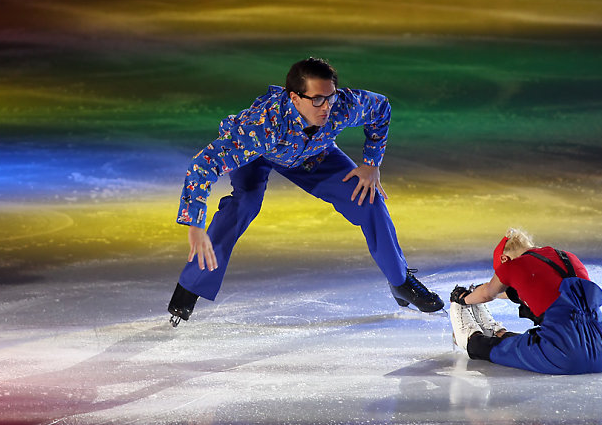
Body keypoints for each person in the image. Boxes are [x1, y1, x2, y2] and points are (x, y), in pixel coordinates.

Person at [167, 57, 443, 324]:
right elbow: (203, 165)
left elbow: (381, 108)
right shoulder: (263, 127)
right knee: (244, 205)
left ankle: (400, 281)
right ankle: (190, 287)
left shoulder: (341, 106)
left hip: (313, 154)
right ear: (294, 98)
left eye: (330, 96)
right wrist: (194, 224)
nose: (326, 107)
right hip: (259, 153)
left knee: (367, 199)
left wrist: (371, 164)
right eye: (317, 100)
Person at [448, 227, 602, 374]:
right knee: (550, 327)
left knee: (490, 350)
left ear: (504, 259)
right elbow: (539, 292)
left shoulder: (512, 266)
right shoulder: (567, 257)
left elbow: (488, 294)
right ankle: (498, 333)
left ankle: (470, 338)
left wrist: (463, 298)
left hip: (566, 356)